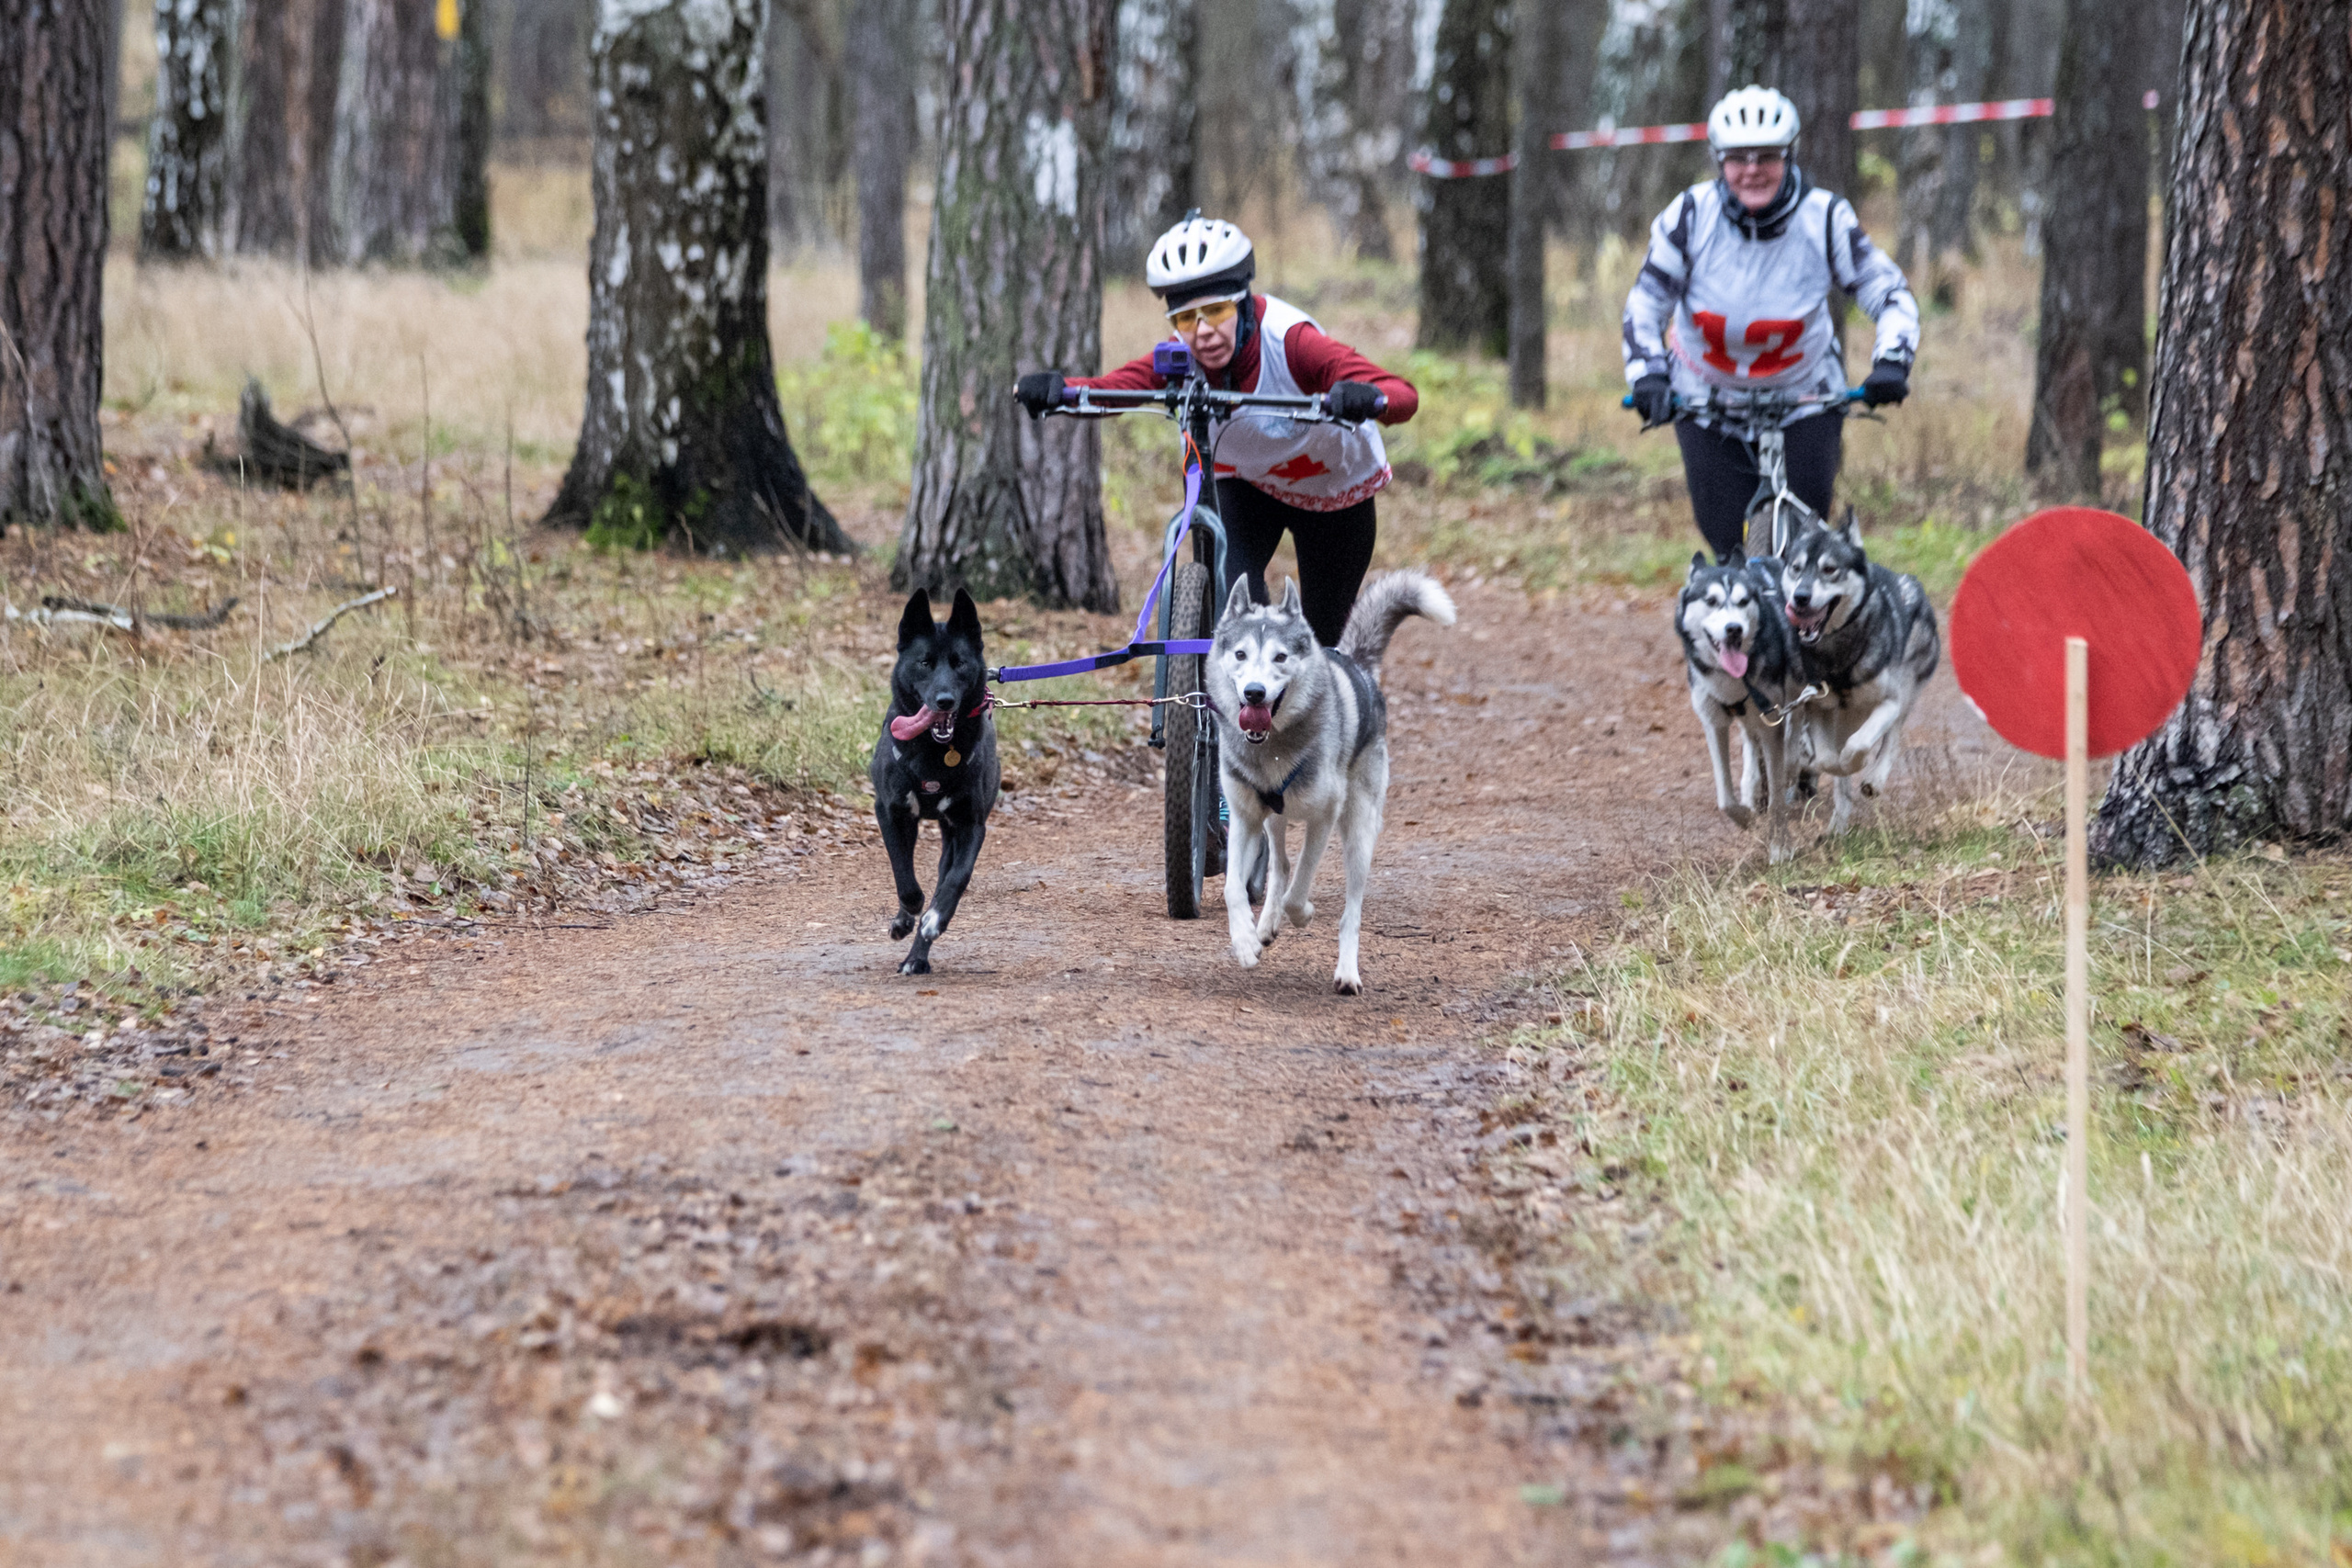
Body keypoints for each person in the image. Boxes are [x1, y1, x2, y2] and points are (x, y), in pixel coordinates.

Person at [1014, 213, 1419, 650]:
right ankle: (1229, 713)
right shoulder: (1181, 359)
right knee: (1235, 602)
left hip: (1332, 491)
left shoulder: (1292, 342)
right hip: (1248, 485)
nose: (1202, 332)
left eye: (1216, 311)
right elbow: (1116, 390)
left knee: (1321, 649)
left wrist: (1365, 398)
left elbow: (1402, 394)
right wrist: (1059, 392)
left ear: (1243, 302)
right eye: (1186, 318)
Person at [1623, 85, 1921, 562]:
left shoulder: (1824, 218)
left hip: (1805, 397)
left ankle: (1799, 628)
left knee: (1803, 544)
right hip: (1707, 397)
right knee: (1726, 543)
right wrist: (1648, 375)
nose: (1753, 169)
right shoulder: (1689, 215)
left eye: (1768, 156)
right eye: (1738, 157)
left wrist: (1892, 362)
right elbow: (1646, 302)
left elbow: (1889, 293)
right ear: (1719, 161)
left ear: (1790, 156)